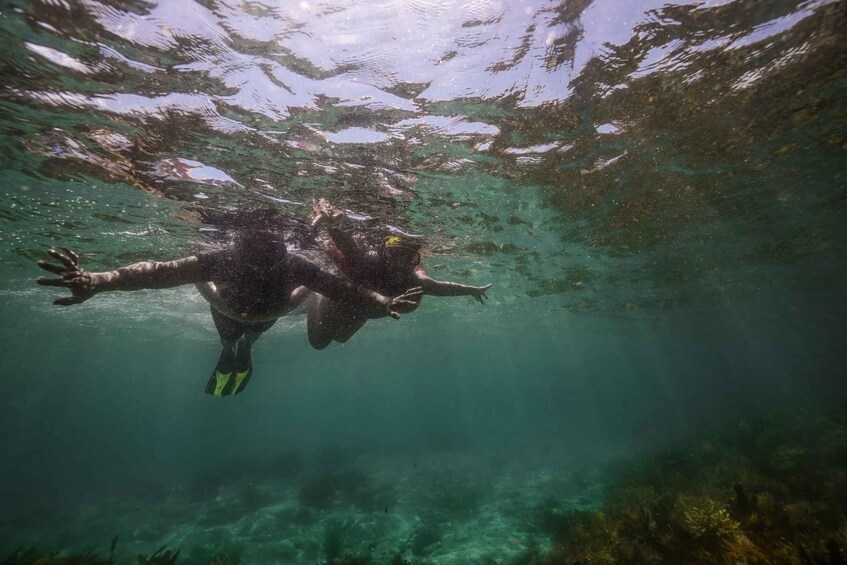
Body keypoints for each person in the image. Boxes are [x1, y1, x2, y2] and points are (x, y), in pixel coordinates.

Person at [36, 231, 423, 397]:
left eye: (271, 246)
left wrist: (382, 301)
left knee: (245, 334)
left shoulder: (293, 265)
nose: (264, 252)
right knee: (235, 334)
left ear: (280, 246)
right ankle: (237, 349)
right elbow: (159, 272)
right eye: (256, 244)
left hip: (250, 313)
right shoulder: (229, 260)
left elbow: (341, 288)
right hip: (238, 311)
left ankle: (241, 348)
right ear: (242, 243)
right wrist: (98, 280)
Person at [305, 199, 492, 350]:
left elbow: (441, 288)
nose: (399, 265)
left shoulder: (415, 279)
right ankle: (317, 292)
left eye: (408, 258)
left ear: (414, 261)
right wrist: (330, 223)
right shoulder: (367, 262)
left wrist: (472, 290)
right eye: (395, 255)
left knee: (341, 338)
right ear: (384, 254)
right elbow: (346, 243)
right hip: (343, 299)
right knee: (319, 342)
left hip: (363, 309)